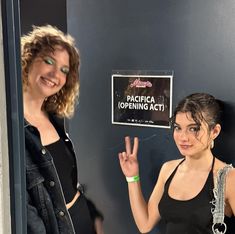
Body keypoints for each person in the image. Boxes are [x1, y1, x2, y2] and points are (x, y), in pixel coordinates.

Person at [22, 25, 103, 234]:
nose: (55, 74)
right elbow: (24, 209)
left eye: (64, 70)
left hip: (81, 220)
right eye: (49, 61)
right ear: (28, 59)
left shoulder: (54, 118)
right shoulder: (12, 128)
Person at [119, 93, 235, 234]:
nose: (183, 137)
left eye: (194, 128)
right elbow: (145, 224)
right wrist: (132, 178)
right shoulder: (168, 169)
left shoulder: (228, 178)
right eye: (178, 127)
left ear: (214, 132)